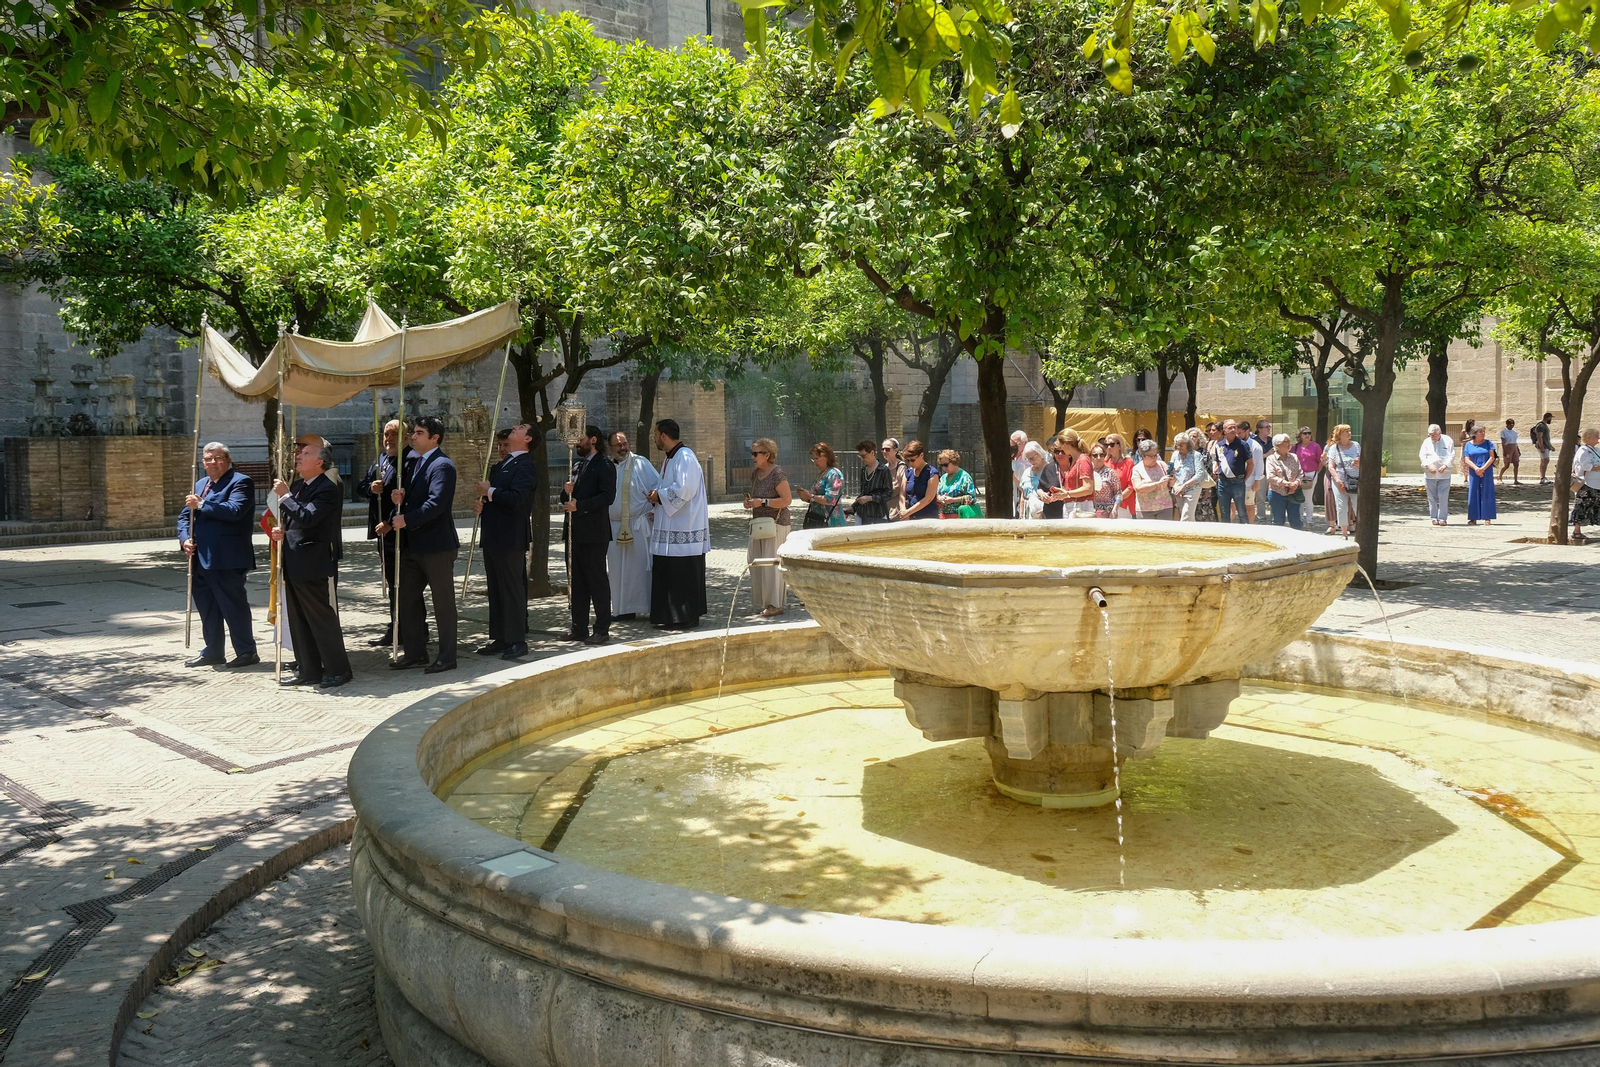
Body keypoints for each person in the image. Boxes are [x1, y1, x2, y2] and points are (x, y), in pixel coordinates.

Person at [270, 441, 351, 689]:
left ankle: (338, 670)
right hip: (293, 560)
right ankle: (309, 669)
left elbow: (308, 517)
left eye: (306, 454)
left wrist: (284, 496)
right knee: (298, 619)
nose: (298, 457)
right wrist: (282, 532)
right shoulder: (298, 486)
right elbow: (294, 520)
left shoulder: (327, 488)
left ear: (320, 461)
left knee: (320, 618)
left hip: (313, 561)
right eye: (299, 453)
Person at [178, 442, 258, 669]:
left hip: (227, 557)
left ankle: (246, 651)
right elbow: (185, 517)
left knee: (233, 607)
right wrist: (185, 539)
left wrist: (202, 504)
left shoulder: (240, 482)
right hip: (200, 557)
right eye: (208, 459)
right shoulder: (201, 483)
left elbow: (234, 511)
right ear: (203, 463)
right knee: (208, 608)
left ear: (228, 460)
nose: (213, 462)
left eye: (218, 458)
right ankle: (213, 652)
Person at [390, 415, 459, 674]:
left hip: (436, 545)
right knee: (406, 598)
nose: (413, 436)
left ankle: (447, 656)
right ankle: (415, 652)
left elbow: (436, 503)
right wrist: (402, 497)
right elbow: (417, 498)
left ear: (434, 438)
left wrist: (405, 519)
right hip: (413, 545)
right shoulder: (413, 463)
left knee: (442, 603)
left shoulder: (442, 465)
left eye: (419, 433)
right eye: (414, 432)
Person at [474, 422, 537, 659]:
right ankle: (500, 637)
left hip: (511, 535)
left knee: (511, 588)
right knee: (497, 588)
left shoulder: (526, 465)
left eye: (520, 427)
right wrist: (483, 502)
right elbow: (496, 497)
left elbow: (518, 498)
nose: (514, 427)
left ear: (528, 438)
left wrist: (490, 492)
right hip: (494, 533)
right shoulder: (502, 465)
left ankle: (517, 640)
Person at [647, 419, 709, 629]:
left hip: (685, 527)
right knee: (669, 571)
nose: (654, 438)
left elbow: (685, 489)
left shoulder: (685, 457)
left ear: (664, 435)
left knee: (683, 573)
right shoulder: (670, 459)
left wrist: (660, 496)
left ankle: (685, 617)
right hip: (671, 526)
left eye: (655, 434)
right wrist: (657, 495)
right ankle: (670, 616)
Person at [562, 424, 616, 645]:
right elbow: (565, 499)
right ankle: (579, 627)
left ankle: (602, 628)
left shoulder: (604, 465)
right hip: (575, 532)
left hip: (594, 533)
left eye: (580, 438)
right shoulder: (577, 465)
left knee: (596, 582)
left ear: (593, 440)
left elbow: (607, 497)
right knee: (577, 583)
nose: (577, 442)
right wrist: (565, 492)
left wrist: (580, 505)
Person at [365, 420, 412, 647]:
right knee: (392, 583)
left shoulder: (409, 460)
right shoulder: (381, 459)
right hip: (382, 533)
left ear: (405, 436)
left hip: (400, 531)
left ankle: (412, 628)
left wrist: (389, 522)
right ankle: (396, 626)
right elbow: (361, 486)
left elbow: (409, 498)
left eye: (394, 434)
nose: (389, 438)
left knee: (403, 585)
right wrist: (370, 488)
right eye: (386, 433)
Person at [607, 430, 659, 620]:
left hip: (638, 526)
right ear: (610, 448)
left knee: (639, 569)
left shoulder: (640, 463)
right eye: (618, 445)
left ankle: (646, 606)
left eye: (625, 443)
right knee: (617, 571)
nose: (623, 448)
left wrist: (654, 508)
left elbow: (658, 487)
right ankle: (622, 609)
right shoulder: (608, 467)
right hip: (613, 527)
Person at [744, 438, 792, 616]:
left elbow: (787, 500)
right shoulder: (755, 474)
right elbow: (757, 499)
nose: (752, 457)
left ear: (767, 455)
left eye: (756, 453)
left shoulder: (777, 473)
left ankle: (775, 604)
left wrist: (762, 502)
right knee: (756, 561)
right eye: (752, 453)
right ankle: (763, 601)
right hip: (759, 525)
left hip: (776, 524)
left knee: (772, 564)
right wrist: (750, 503)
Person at [1211, 420, 1253, 524]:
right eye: (1230, 428)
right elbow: (1219, 462)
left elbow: (1251, 464)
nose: (1233, 430)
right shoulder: (1219, 445)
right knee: (1224, 513)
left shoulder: (1242, 445)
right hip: (1222, 483)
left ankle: (1246, 535)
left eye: (1235, 427)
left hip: (1237, 483)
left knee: (1242, 512)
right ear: (1224, 431)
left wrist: (1243, 479)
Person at [796, 443, 846, 529]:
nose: (815, 462)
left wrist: (811, 496)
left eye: (817, 459)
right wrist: (807, 498)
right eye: (813, 459)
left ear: (826, 457)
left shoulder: (833, 474)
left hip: (831, 522)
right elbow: (817, 498)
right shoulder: (822, 473)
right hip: (818, 520)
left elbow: (830, 499)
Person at [1324, 424, 1360, 539]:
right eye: (1346, 431)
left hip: (1355, 481)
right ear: (1339, 434)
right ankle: (1344, 534)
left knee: (1358, 506)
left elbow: (1362, 459)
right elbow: (1331, 466)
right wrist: (1338, 481)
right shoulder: (1334, 448)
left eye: (1349, 430)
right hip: (1339, 481)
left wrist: (1358, 463)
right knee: (1341, 506)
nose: (1349, 433)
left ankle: (1361, 531)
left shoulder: (1356, 445)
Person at [1265, 434, 1305, 529]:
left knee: (1296, 521)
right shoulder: (1271, 459)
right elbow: (1270, 477)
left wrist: (1296, 483)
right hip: (1277, 494)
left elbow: (1300, 473)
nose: (1288, 444)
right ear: (1277, 445)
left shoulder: (1294, 457)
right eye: (1285, 442)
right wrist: (1287, 484)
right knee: (1278, 521)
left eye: (1288, 441)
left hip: (1294, 493)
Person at [1131, 439, 1175, 519]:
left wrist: (1173, 476)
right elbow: (1138, 488)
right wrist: (1158, 484)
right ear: (1142, 456)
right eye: (1151, 456)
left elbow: (1171, 484)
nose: (1155, 458)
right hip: (1145, 509)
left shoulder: (1162, 465)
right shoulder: (1137, 469)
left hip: (1165, 507)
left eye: (1156, 455)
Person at [1419, 424, 1454, 526]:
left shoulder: (1448, 440)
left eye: (1434, 435)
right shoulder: (1426, 442)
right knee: (1431, 497)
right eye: (1430, 435)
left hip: (1444, 474)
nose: (1432, 437)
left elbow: (1451, 455)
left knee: (1443, 496)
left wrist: (1445, 465)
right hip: (1430, 474)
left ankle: (1443, 518)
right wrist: (1428, 465)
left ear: (1440, 433)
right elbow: (1422, 455)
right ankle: (1434, 518)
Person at [1570, 428, 1600, 544]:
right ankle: (1576, 531)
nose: (1598, 438)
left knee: (1595, 506)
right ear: (1589, 438)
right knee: (1582, 506)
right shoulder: (1583, 450)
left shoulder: (1595, 450)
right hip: (1586, 484)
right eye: (1596, 436)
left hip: (1596, 484)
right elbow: (1587, 466)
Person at [1463, 425, 1497, 526]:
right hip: (1474, 471)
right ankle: (1473, 517)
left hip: (1487, 470)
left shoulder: (1488, 443)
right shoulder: (1468, 445)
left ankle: (1487, 517)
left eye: (1483, 431)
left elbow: (1492, 457)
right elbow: (1466, 459)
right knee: (1473, 492)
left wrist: (1482, 469)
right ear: (1474, 434)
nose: (1483, 433)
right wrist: (1476, 468)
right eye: (1480, 432)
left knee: (1488, 492)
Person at [1290, 427, 1323, 530]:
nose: (1307, 435)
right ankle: (1300, 520)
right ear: (1300, 435)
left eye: (1309, 433)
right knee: (1300, 498)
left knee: (1308, 498)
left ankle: (1309, 521)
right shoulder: (1295, 447)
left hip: (1311, 475)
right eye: (1305, 433)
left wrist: (1316, 472)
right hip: (1298, 475)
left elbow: (1321, 461)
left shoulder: (1315, 446)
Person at [854, 440, 892, 525]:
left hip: (877, 516)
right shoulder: (863, 470)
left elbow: (889, 494)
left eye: (864, 456)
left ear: (872, 453)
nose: (862, 459)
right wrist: (853, 507)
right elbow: (863, 493)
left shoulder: (883, 470)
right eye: (860, 456)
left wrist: (871, 498)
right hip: (861, 514)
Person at [901, 441, 940, 520]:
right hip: (909, 518)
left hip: (928, 518)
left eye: (912, 460)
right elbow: (902, 495)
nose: (910, 463)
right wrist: (903, 510)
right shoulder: (908, 472)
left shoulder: (932, 473)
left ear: (921, 455)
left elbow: (928, 498)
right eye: (907, 460)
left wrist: (908, 512)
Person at [1169, 433, 1203, 521]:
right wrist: (1176, 487)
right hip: (1178, 489)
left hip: (1192, 489)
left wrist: (1184, 487)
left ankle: (1182, 534)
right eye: (1177, 445)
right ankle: (1194, 534)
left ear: (1188, 444)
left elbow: (1199, 474)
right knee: (1189, 517)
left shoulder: (1196, 455)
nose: (1179, 447)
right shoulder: (1175, 455)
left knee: (1186, 515)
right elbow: (1170, 472)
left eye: (1181, 445)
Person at [1238, 419, 1266, 524]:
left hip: (1250, 481)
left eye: (1240, 433)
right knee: (1233, 504)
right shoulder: (1236, 443)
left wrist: (1257, 481)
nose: (1238, 435)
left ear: (1247, 431)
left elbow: (1259, 464)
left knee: (1249, 505)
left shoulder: (1255, 446)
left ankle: (1250, 526)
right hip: (1236, 481)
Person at [936, 450, 977, 518]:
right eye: (942, 465)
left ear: (954, 462)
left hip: (960, 517)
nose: (944, 468)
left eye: (946, 465)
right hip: (944, 517)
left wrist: (953, 500)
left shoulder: (964, 477)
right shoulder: (943, 478)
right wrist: (940, 498)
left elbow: (972, 498)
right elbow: (937, 495)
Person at [1104, 434, 1135, 518]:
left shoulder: (1128, 462)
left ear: (1120, 446)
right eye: (1106, 445)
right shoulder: (1104, 462)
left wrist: (1116, 502)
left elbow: (1131, 487)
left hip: (1123, 504)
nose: (1109, 447)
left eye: (1112, 444)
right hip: (1106, 505)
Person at [1087, 445, 1120, 518]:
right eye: (1095, 455)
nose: (1099, 458)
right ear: (1090, 457)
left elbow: (1118, 493)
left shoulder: (1111, 472)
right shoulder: (1087, 473)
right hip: (1090, 512)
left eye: (1101, 455)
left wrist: (1114, 510)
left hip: (1108, 514)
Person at [1019, 441, 1048, 519]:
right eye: (1028, 459)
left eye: (1033, 458)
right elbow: (1023, 495)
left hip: (1045, 512)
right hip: (1028, 511)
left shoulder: (1049, 470)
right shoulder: (1026, 472)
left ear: (1040, 453)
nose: (1031, 461)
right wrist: (1021, 515)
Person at [881, 438, 907, 518]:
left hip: (896, 512)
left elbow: (898, 487)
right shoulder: (883, 468)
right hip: (884, 512)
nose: (884, 451)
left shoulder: (901, 466)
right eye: (883, 449)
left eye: (887, 449)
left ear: (895, 451)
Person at [1009, 430, 1030, 519]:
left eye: (1017, 443)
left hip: (1016, 498)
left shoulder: (1028, 458)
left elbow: (1023, 487)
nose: (1016, 445)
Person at [1532, 412, 1555, 486]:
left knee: (1544, 461)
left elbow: (1546, 438)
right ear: (1548, 417)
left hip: (1546, 446)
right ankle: (1543, 477)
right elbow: (1539, 437)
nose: (1551, 419)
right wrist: (1542, 447)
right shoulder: (1541, 425)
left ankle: (1543, 477)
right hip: (1543, 447)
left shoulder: (1544, 425)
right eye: (1551, 418)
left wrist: (1550, 446)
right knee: (1545, 461)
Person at [1499, 418, 1522, 486]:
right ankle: (1500, 477)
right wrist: (1505, 451)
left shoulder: (1514, 432)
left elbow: (1515, 441)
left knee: (1516, 464)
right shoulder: (1504, 432)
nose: (1512, 425)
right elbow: (1503, 442)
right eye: (1510, 424)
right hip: (1508, 447)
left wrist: (1518, 449)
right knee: (1507, 465)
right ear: (1507, 424)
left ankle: (1515, 480)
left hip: (1514, 447)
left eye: (1513, 424)